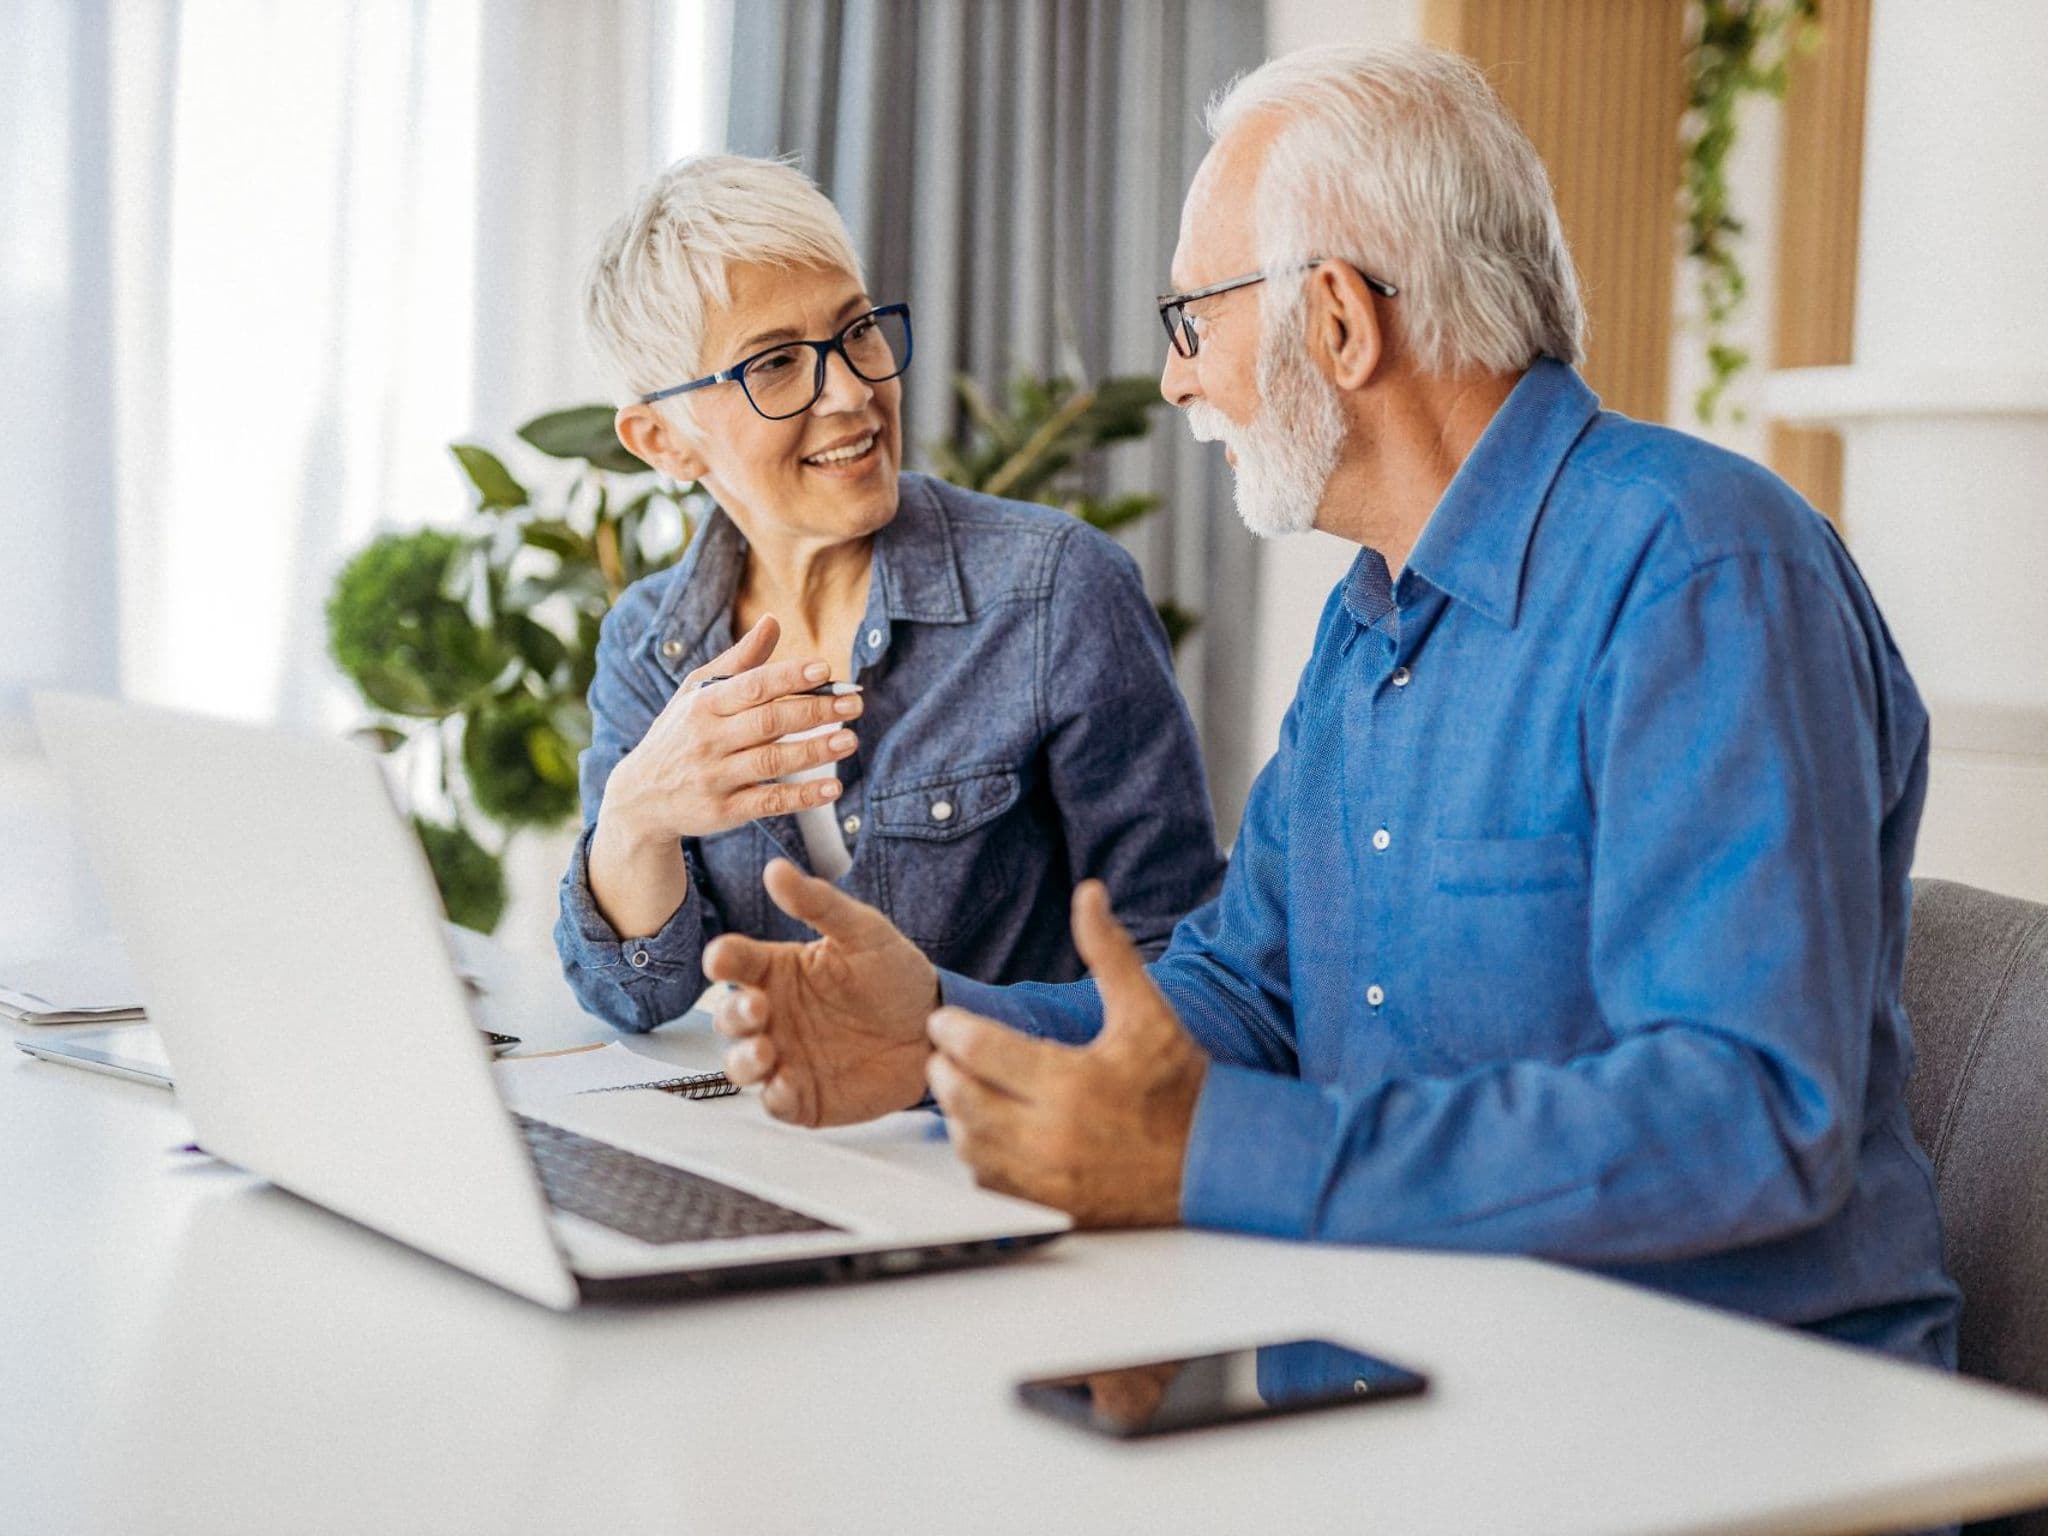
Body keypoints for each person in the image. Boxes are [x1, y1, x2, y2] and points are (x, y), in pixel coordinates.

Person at [703, 45, 1961, 1370]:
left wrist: (1211, 1154)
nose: (1180, 380)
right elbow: (1250, 997)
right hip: (1392, 1375)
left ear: (1341, 320)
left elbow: (1746, 1115)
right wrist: (935, 1035)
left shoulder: (1702, 572)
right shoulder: (1367, 622)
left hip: (1704, 1415)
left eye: (1191, 318)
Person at [555, 155, 1223, 1033]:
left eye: (857, 330)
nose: (854, 391)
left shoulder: (1054, 589)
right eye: (778, 365)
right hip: (776, 1137)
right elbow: (637, 995)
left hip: (989, 1143)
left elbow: (1178, 971)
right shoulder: (650, 647)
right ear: (662, 440)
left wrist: (933, 1036)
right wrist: (636, 815)